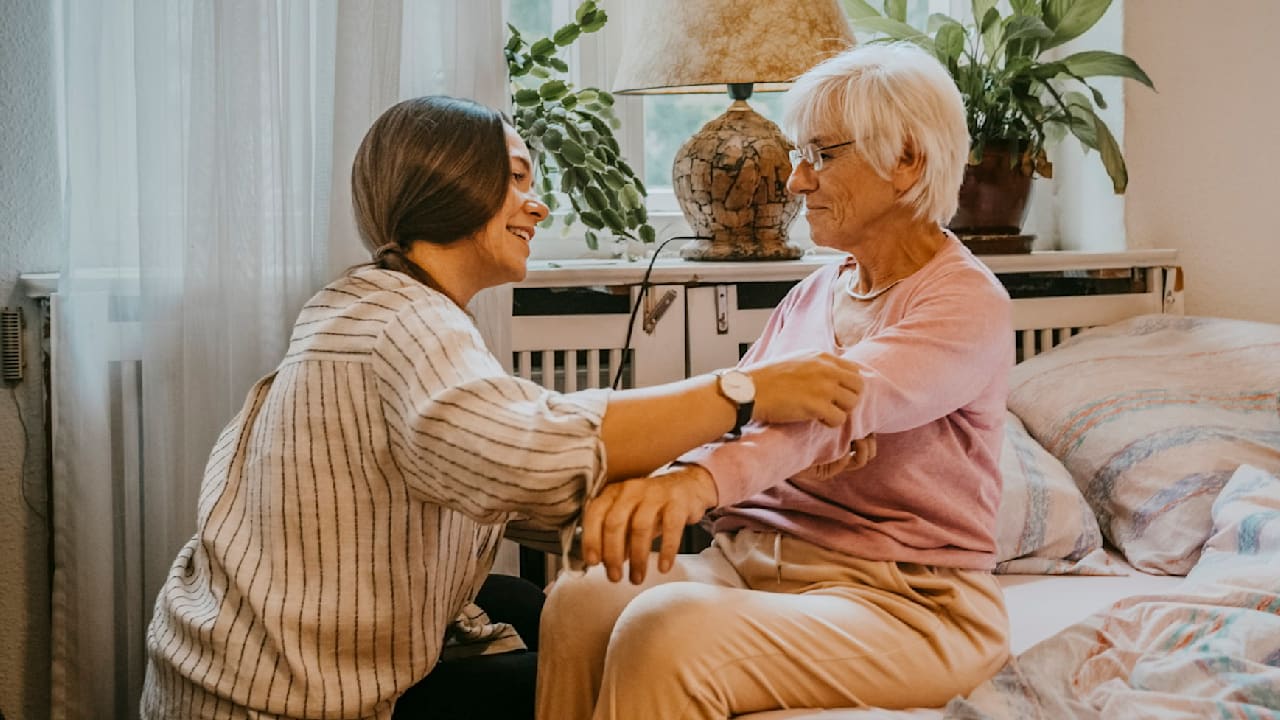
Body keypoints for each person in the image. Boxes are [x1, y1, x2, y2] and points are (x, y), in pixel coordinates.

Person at [138, 95, 866, 720]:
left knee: (520, 596)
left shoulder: (371, 303)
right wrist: (744, 394)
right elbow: (531, 449)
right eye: (516, 179)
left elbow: (503, 467)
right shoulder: (407, 326)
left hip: (234, 666)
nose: (538, 204)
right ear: (449, 180)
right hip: (277, 701)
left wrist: (692, 500)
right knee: (618, 672)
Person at [536, 42, 1016, 720]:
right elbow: (742, 411)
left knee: (665, 634)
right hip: (756, 561)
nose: (795, 181)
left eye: (821, 155)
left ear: (906, 160)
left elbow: (832, 408)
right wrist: (643, 483)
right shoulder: (815, 292)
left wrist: (694, 485)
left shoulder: (965, 303)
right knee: (582, 598)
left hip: (907, 602)